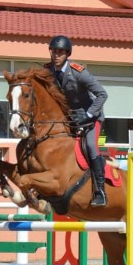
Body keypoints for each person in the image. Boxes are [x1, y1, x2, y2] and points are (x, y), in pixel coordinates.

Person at [45, 35, 111, 206]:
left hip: (90, 118)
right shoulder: (48, 71)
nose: (56, 55)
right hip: (69, 118)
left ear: (67, 54)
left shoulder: (78, 72)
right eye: (54, 51)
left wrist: (88, 115)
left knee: (90, 147)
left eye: (60, 52)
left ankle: (100, 192)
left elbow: (102, 94)